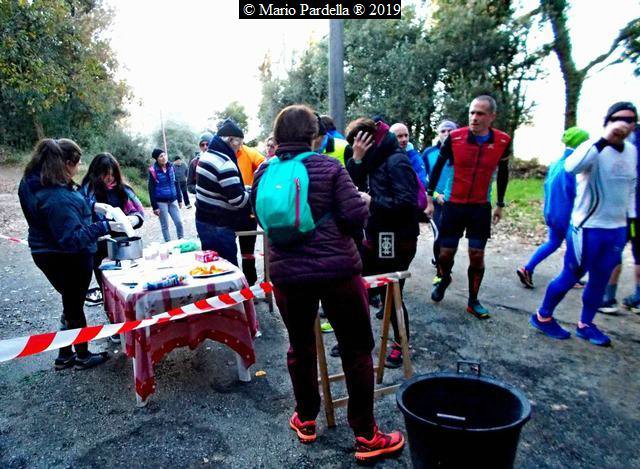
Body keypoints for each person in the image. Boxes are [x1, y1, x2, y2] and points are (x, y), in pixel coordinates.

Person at [251, 105, 405, 462]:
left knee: (300, 347)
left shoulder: (263, 172)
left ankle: (305, 419)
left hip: (288, 276)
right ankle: (366, 435)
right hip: (338, 273)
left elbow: (260, 216)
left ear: (278, 136)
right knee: (356, 350)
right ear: (313, 136)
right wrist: (355, 214)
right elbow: (354, 216)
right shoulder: (330, 167)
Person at [529, 102, 637, 346]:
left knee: (601, 277)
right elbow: (571, 166)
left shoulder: (631, 151)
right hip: (587, 227)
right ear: (608, 121)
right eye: (618, 118)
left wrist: (631, 219)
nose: (624, 124)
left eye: (630, 120)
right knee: (572, 275)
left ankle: (586, 324)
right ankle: (543, 316)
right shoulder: (592, 146)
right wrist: (604, 140)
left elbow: (632, 186)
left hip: (616, 228)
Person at [18, 138, 124, 370]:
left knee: (70, 304)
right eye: (77, 164)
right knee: (75, 307)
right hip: (67, 257)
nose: (78, 169)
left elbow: (59, 212)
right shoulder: (56, 197)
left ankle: (64, 355)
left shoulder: (32, 181)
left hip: (43, 250)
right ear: (66, 163)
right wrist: (104, 226)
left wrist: (89, 206)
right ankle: (82, 356)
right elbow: (72, 239)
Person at [426, 95, 511, 319]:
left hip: (480, 207)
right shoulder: (455, 138)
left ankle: (473, 300)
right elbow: (437, 168)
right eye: (472, 112)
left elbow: (503, 173)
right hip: (453, 204)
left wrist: (500, 204)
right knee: (445, 254)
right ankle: (444, 278)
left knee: (477, 254)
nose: (474, 117)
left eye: (480, 113)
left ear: (492, 117)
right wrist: (429, 197)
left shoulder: (502, 141)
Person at [346, 117, 420, 368]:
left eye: (358, 145)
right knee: (361, 287)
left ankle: (401, 345)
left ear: (369, 141)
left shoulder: (396, 160)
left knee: (391, 291)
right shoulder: (374, 158)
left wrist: (372, 202)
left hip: (396, 238)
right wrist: (356, 158)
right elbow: (352, 181)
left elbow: (408, 204)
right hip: (376, 233)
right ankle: (359, 340)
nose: (356, 150)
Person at [516, 127, 590, 288]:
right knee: (574, 246)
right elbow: (575, 192)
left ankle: (527, 268)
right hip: (567, 214)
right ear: (582, 144)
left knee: (553, 242)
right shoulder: (573, 167)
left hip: (551, 211)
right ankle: (570, 277)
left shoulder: (556, 163)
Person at [81, 153, 145, 314]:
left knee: (129, 284)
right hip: (98, 247)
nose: (109, 178)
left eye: (112, 174)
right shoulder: (86, 193)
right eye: (105, 174)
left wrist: (133, 220)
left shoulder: (124, 190)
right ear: (96, 173)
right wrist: (103, 227)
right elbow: (82, 219)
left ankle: (132, 316)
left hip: (124, 245)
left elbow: (139, 212)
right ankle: (113, 319)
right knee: (107, 288)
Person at [597, 114, 640, 313]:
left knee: (615, 252)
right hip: (626, 211)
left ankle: (609, 297)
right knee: (621, 252)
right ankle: (619, 296)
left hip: (627, 212)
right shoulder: (628, 142)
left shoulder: (630, 145)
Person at [195, 118, 250, 264]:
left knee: (212, 265)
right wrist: (250, 194)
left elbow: (218, 189)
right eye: (239, 144)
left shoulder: (206, 156)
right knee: (227, 268)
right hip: (219, 225)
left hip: (202, 220)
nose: (240, 148)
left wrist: (244, 189)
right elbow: (238, 200)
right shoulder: (225, 163)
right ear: (230, 140)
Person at [422, 120, 458, 274]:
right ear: (438, 134)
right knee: (439, 234)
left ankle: (446, 262)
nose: (447, 134)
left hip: (456, 201)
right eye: (443, 131)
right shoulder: (429, 153)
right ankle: (440, 269)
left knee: (452, 237)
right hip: (436, 201)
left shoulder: (462, 151)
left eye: (450, 131)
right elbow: (423, 179)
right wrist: (435, 196)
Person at [236, 143, 266, 284]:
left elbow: (265, 166)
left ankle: (250, 281)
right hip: (228, 211)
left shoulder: (249, 152)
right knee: (228, 251)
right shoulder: (220, 156)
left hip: (247, 210)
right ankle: (234, 284)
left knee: (247, 250)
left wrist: (255, 187)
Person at [148, 148, 183, 242]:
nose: (164, 157)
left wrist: (180, 199)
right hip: (161, 202)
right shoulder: (153, 170)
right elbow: (151, 189)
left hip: (173, 200)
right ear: (156, 159)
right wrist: (155, 206)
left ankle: (181, 240)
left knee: (179, 222)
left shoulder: (172, 167)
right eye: (161, 156)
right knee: (165, 225)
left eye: (164, 155)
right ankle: (168, 243)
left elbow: (176, 183)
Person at [390, 122, 427, 188]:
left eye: (406, 135)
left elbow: (422, 182)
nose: (404, 139)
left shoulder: (414, 158)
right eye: (400, 136)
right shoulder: (383, 156)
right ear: (391, 137)